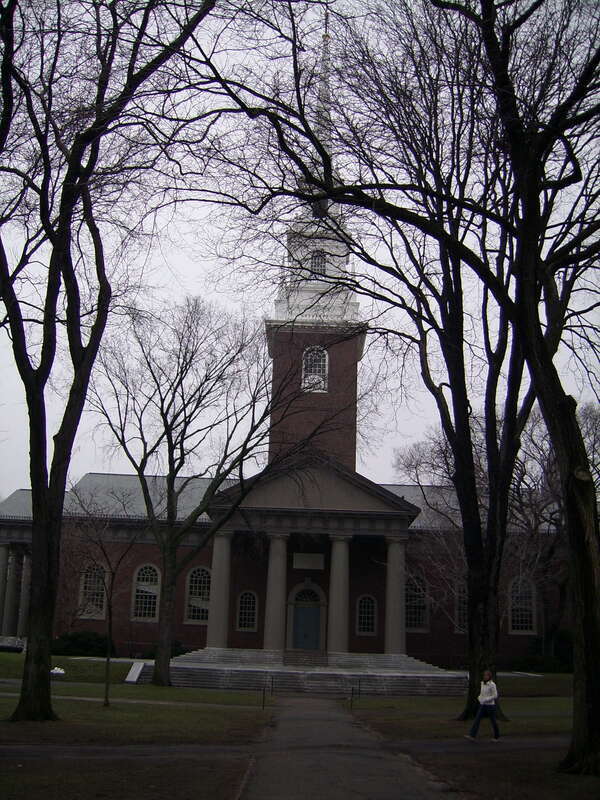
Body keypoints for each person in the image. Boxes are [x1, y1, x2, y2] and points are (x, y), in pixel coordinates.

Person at [464, 669, 500, 741]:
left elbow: (495, 695)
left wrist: (486, 699)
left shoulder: (492, 684)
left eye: (486, 675)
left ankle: (496, 736)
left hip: (490, 706)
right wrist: (479, 698)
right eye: (484, 675)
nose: (484, 676)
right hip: (482, 705)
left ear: (489, 676)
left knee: (493, 721)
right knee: (477, 719)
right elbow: (482, 693)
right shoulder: (482, 683)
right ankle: (472, 735)